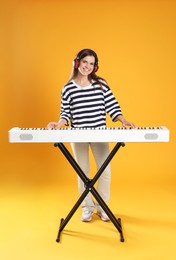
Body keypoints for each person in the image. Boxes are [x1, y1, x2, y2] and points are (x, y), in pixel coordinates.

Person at [46, 48, 135, 222]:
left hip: (99, 134)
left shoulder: (101, 84)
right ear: (77, 63)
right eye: (85, 62)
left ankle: (102, 207)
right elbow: (65, 114)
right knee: (83, 173)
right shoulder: (68, 88)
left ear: (95, 67)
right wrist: (59, 124)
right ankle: (87, 208)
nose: (87, 66)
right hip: (77, 134)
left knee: (105, 172)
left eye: (91, 63)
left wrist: (123, 120)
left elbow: (112, 107)